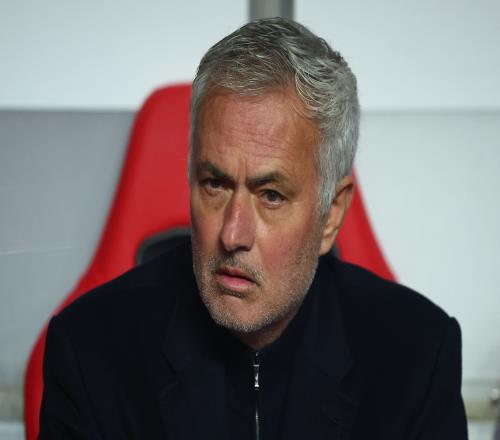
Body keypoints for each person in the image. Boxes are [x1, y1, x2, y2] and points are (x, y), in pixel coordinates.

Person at [39, 18, 468, 439]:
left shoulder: (418, 356)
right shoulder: (89, 351)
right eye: (215, 184)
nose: (232, 235)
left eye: (271, 195)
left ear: (332, 213)